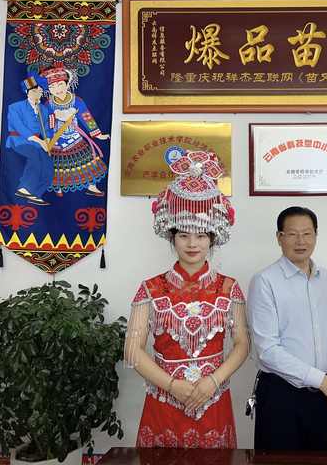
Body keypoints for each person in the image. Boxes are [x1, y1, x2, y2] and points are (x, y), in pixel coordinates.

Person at [124, 151, 249, 448]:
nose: (192, 244)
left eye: (201, 236)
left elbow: (243, 345)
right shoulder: (150, 288)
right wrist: (172, 385)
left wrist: (212, 382)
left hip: (212, 399)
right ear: (172, 237)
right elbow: (131, 350)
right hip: (164, 401)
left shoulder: (229, 287)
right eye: (183, 235)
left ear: (212, 238)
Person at [247, 206, 327, 450]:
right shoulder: (264, 281)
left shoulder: (326, 279)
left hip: (323, 397)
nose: (301, 241)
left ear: (316, 235)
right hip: (280, 395)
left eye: (307, 234)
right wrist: (324, 382)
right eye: (292, 234)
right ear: (279, 237)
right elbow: (267, 350)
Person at [41, 66, 109, 197]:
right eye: (52, 87)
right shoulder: (48, 104)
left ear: (67, 84)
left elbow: (86, 116)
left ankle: (91, 186)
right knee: (58, 165)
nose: (57, 89)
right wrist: (48, 137)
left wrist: (97, 134)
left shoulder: (76, 101)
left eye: (60, 84)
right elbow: (47, 124)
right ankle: (57, 187)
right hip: (57, 139)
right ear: (48, 89)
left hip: (74, 136)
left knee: (87, 160)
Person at [5, 74, 53, 206]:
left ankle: (36, 194)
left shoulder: (43, 109)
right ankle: (24, 188)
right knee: (35, 156)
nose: (39, 93)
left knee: (48, 166)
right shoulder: (15, 107)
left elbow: (46, 128)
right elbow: (20, 127)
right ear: (28, 92)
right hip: (19, 140)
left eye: (40, 91)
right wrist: (40, 141)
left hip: (38, 143)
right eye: (36, 91)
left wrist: (47, 140)